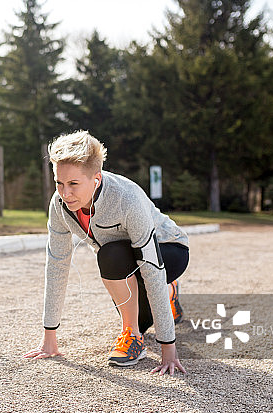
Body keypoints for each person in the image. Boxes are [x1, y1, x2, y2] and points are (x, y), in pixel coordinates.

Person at [23, 130, 190, 375]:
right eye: (59, 183)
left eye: (73, 184)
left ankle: (142, 321)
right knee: (139, 312)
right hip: (122, 257)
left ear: (96, 179)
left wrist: (168, 349)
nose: (64, 193)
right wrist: (49, 337)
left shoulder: (126, 198)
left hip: (167, 249)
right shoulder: (59, 205)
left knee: (121, 261)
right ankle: (154, 310)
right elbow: (57, 263)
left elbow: (151, 267)